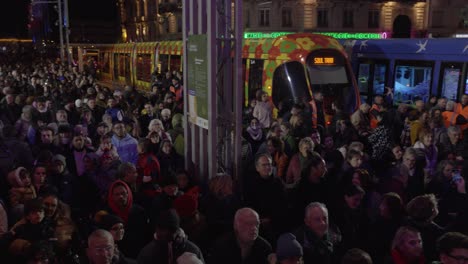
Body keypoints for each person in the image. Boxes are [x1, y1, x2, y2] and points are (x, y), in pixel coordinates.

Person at [137, 209, 204, 264]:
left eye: (168, 236)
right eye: (160, 236)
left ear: (176, 231)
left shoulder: (193, 251)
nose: (163, 239)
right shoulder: (147, 254)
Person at [208, 207, 273, 264]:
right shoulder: (221, 246)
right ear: (236, 225)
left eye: (257, 224)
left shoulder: (264, 247)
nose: (254, 228)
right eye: (248, 223)